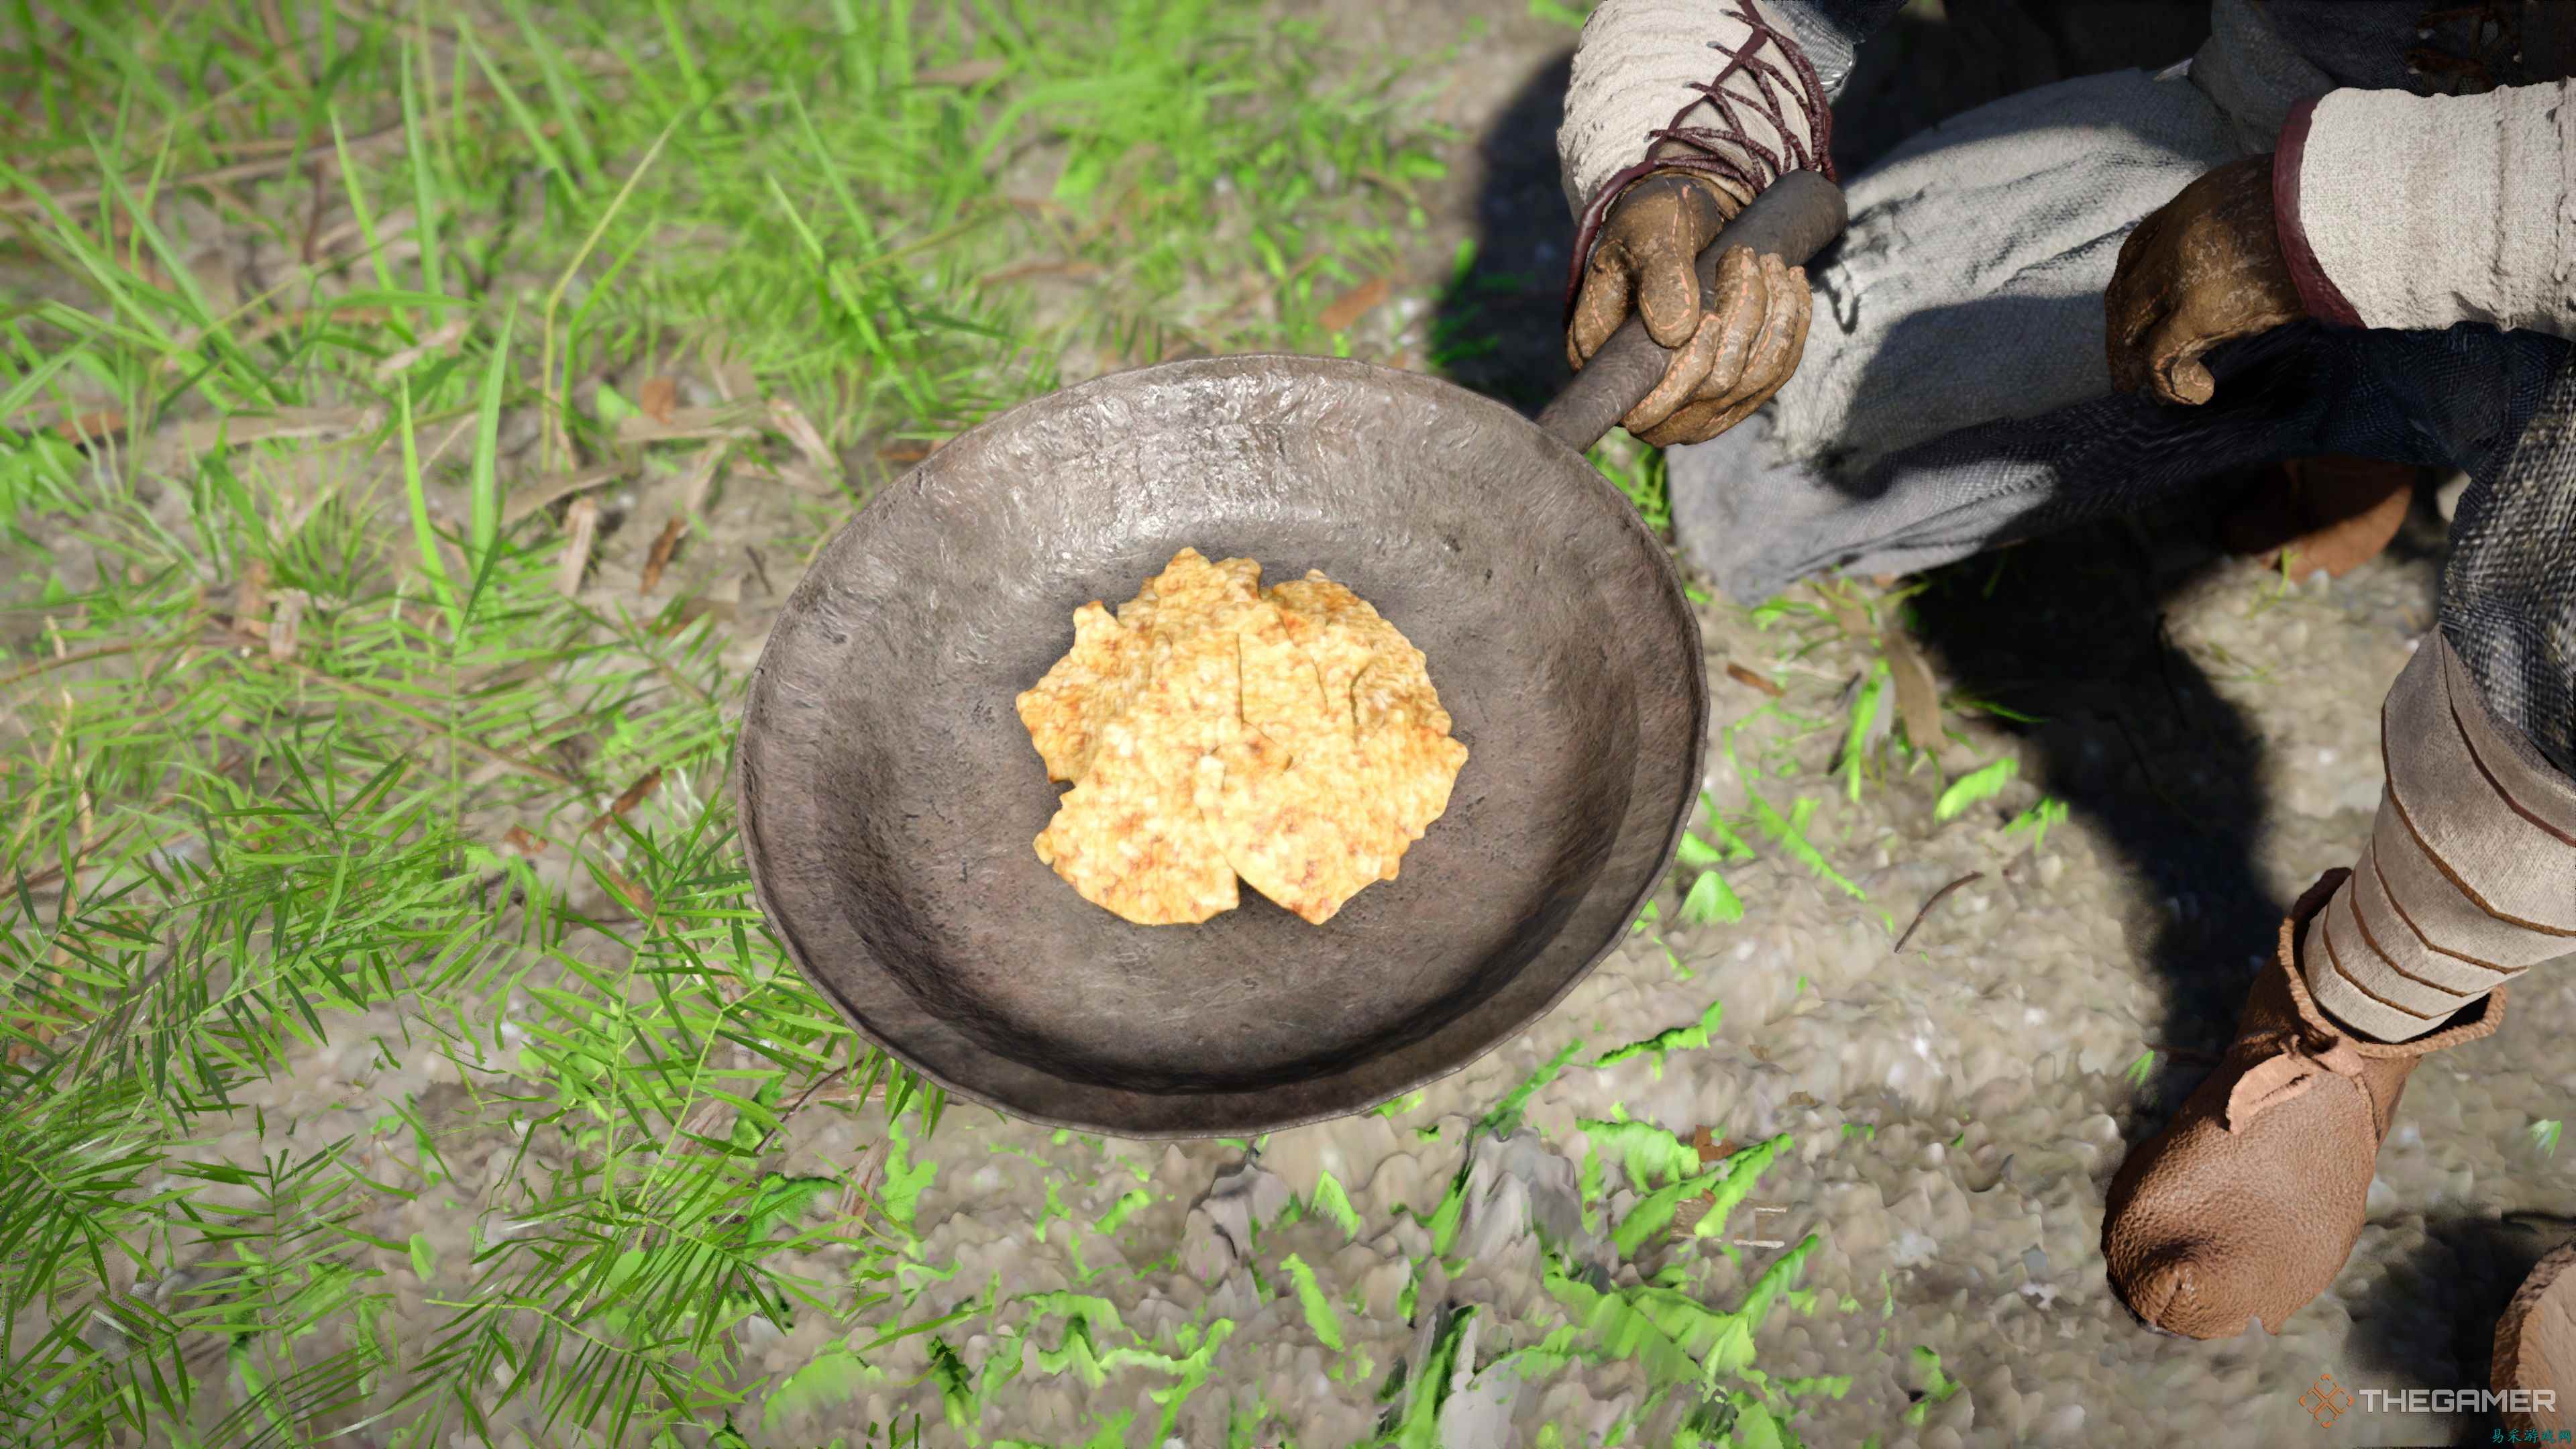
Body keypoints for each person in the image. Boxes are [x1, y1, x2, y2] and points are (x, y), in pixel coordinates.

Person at [1557, 0, 2576, 1341]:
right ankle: (2356, 412)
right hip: (2277, 111)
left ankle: (2367, 1000)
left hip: (2487, 198)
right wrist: (1675, 161)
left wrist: (2348, 224)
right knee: (1772, 436)